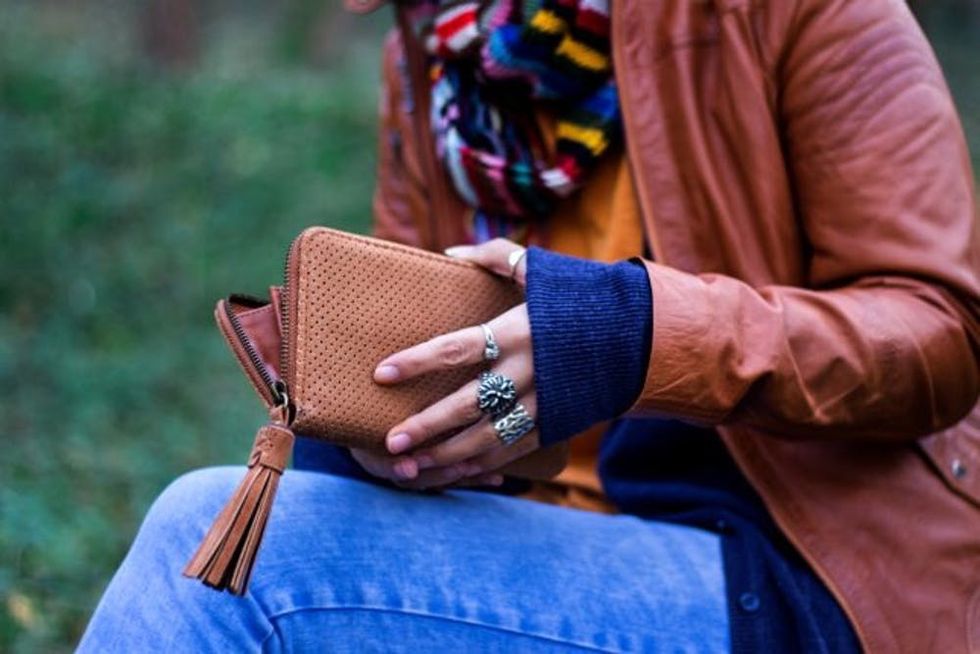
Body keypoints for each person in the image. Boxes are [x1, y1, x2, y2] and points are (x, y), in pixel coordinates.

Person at [79, 0, 980, 651]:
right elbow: (443, 340)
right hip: (532, 534)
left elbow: (942, 331)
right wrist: (390, 426)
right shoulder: (435, 48)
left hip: (787, 569)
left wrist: (629, 335)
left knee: (214, 547)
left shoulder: (804, 14)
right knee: (235, 528)